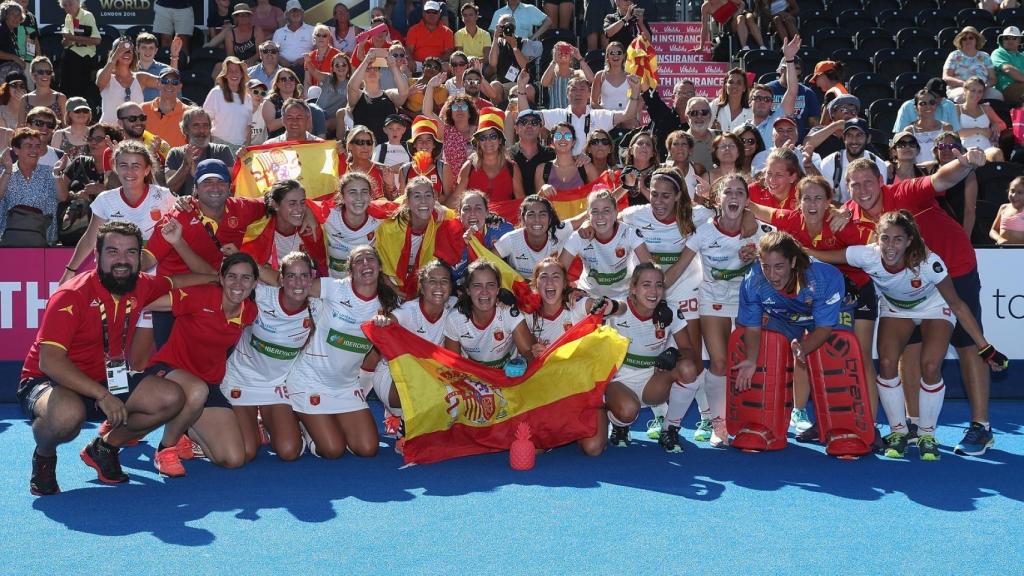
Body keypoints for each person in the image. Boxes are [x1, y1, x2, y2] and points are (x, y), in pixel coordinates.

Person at [839, 152, 998, 456]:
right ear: (848, 188)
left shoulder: (904, 191)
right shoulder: (848, 213)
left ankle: (982, 427)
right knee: (908, 350)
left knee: (967, 345)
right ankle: (913, 425)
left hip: (953, 269)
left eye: (868, 182)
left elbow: (941, 179)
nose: (862, 190)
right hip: (907, 289)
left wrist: (964, 162)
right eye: (855, 185)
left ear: (881, 181)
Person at [17, 221, 193, 495]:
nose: (122, 260)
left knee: (172, 398)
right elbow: (49, 362)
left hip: (106, 377)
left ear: (139, 257)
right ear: (96, 257)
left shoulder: (141, 284)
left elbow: (180, 281)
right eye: (113, 251)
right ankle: (44, 454)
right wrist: (102, 395)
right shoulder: (71, 294)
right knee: (66, 417)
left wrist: (220, 277)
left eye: (130, 252)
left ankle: (104, 447)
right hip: (50, 381)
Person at [815, 210, 1007, 460]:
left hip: (935, 307)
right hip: (896, 309)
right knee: (885, 363)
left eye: (897, 239)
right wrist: (795, 250)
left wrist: (986, 348)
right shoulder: (867, 255)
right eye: (885, 238)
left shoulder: (929, 262)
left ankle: (927, 434)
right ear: (877, 238)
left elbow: (958, 305)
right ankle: (899, 432)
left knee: (930, 366)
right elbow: (823, 256)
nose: (890, 246)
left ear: (908, 241)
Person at [745, 175, 876, 441]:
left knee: (856, 358)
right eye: (807, 198)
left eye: (819, 198)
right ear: (798, 202)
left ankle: (869, 425)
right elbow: (758, 208)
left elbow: (875, 248)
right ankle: (821, 419)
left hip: (855, 292)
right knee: (809, 351)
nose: (812, 204)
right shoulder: (792, 220)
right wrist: (722, 194)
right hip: (816, 295)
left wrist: (843, 218)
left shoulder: (839, 222)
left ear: (829, 201)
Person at [662, 173, 769, 447]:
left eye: (739, 193)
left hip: (748, 302)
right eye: (728, 192)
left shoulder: (758, 230)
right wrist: (651, 297)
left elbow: (787, 259)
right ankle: (718, 422)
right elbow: (677, 269)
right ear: (718, 199)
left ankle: (754, 419)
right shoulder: (704, 232)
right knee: (719, 363)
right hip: (713, 302)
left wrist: (759, 256)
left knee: (751, 363)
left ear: (746, 200)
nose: (733, 197)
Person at [617, 168, 714, 448]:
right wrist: (588, 225)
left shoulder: (697, 216)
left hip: (681, 292)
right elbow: (602, 215)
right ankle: (660, 417)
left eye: (666, 196)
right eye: (654, 194)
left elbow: (737, 217)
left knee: (691, 360)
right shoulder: (635, 215)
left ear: (678, 197)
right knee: (651, 354)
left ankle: (707, 416)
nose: (658, 201)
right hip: (649, 293)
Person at [733, 231, 854, 451]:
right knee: (764, 345)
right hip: (784, 316)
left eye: (779, 266)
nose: (771, 274)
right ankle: (767, 425)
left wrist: (803, 348)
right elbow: (751, 326)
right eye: (766, 266)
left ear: (793, 262)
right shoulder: (754, 279)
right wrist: (751, 360)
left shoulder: (822, 277)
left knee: (837, 349)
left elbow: (824, 327)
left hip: (821, 317)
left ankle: (843, 428)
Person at [145, 252, 260, 476]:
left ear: (255, 282)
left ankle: (185, 428)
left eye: (246, 278)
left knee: (234, 458)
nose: (238, 284)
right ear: (221, 278)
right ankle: (166, 448)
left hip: (208, 386)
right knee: (196, 390)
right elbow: (149, 303)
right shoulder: (203, 295)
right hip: (170, 371)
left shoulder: (250, 312)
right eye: (232, 276)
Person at [286, 245, 399, 459]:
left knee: (367, 448)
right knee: (333, 450)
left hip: (346, 386)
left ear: (379, 267)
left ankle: (325, 422)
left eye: (370, 259)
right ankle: (301, 422)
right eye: (358, 260)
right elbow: (294, 286)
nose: (365, 263)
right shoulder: (334, 288)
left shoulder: (386, 303)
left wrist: (389, 323)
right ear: (350, 270)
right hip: (310, 380)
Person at [146, 159, 267, 345]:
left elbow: (275, 201)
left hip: (215, 298)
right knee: (167, 360)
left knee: (211, 359)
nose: (215, 187)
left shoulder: (242, 208)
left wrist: (308, 213)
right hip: (174, 299)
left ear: (230, 187)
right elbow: (148, 256)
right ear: (195, 189)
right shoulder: (178, 217)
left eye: (221, 182)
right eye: (207, 182)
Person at [526, 257, 622, 454]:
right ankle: (558, 426)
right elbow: (521, 357)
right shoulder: (528, 314)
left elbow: (622, 307)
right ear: (535, 284)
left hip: (582, 389)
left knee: (593, 449)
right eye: (544, 277)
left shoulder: (578, 305)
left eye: (556, 277)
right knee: (536, 450)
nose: (550, 282)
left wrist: (608, 304)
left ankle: (599, 408)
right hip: (549, 393)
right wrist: (531, 353)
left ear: (565, 283)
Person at [605, 262, 698, 447]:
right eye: (646, 285)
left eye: (659, 285)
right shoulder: (617, 309)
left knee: (688, 369)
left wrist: (673, 353)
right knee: (628, 411)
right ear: (633, 288)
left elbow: (688, 350)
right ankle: (618, 424)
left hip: (652, 379)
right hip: (620, 379)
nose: (653, 291)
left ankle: (669, 428)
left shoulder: (670, 311)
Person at [559, 188, 652, 299]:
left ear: (616, 212)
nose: (600, 216)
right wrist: (570, 292)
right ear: (588, 215)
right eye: (595, 211)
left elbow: (650, 269)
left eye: (606, 210)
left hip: (624, 298)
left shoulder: (629, 233)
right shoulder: (578, 237)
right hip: (588, 298)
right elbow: (557, 272)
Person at [443, 260, 536, 367]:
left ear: (498, 289)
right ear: (468, 290)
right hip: (474, 377)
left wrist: (522, 364)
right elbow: (453, 363)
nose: (484, 291)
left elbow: (530, 354)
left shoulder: (509, 313)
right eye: (477, 285)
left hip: (509, 376)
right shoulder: (455, 319)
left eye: (490, 285)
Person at [540, 74, 641, 155]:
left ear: (589, 95)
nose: (578, 93)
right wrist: (523, 89)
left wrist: (635, 91)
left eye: (582, 89)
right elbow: (528, 115)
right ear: (567, 94)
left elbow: (627, 114)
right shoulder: (557, 114)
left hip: (591, 168)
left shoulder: (599, 116)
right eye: (573, 89)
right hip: (566, 170)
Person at [0, 127, 69, 246]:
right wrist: (8, 171)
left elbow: (63, 197)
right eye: (28, 146)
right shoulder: (5, 171)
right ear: (16, 150)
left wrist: (57, 173)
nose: (34, 150)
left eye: (37, 146)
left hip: (44, 242)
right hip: (9, 243)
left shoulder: (50, 172)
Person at [495, 194, 585, 278]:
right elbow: (487, 259)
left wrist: (587, 224)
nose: (537, 220)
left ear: (550, 219)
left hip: (551, 288)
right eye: (531, 215)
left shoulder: (558, 231)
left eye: (542, 214)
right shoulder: (511, 239)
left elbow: (588, 215)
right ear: (523, 219)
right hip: (519, 291)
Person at [435, 190, 514, 282]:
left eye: (478, 208)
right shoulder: (448, 234)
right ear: (459, 214)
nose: (472, 213)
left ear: (487, 212)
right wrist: (463, 246)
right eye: (466, 209)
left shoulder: (503, 230)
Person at [455, 108, 524, 202]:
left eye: (493, 136)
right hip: (475, 216)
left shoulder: (512, 168)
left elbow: (521, 203)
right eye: (483, 137)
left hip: (505, 216)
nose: (488, 141)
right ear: (478, 142)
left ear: (500, 140)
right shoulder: (468, 167)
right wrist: (440, 209)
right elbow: (456, 199)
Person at [164, 107, 235, 197]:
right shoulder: (175, 154)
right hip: (185, 208)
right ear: (185, 129)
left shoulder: (221, 151)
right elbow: (170, 189)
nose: (201, 130)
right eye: (196, 125)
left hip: (215, 206)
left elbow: (231, 185)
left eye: (205, 125)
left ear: (210, 129)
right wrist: (185, 166)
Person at [815, 118, 888, 203]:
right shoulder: (829, 163)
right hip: (839, 212)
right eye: (849, 135)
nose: (854, 140)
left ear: (868, 138)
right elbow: (826, 201)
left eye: (859, 135)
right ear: (844, 138)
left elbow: (880, 199)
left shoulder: (879, 165)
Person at [97, 38, 167, 125]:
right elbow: (100, 83)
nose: (127, 53)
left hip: (134, 132)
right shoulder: (105, 74)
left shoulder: (140, 77)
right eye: (123, 50)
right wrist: (116, 55)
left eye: (130, 51)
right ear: (114, 52)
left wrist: (174, 57)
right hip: (109, 132)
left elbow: (170, 82)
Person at [348, 47, 409, 144]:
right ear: (362, 75)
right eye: (368, 69)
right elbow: (351, 87)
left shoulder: (389, 95)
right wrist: (366, 60)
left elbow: (404, 92)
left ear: (380, 74)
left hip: (387, 150)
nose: (372, 71)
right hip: (363, 147)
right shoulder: (358, 95)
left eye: (375, 69)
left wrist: (393, 66)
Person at [922, 132, 978, 237]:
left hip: (958, 228)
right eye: (942, 146)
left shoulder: (969, 174)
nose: (947, 150)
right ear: (935, 151)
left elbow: (970, 210)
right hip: (933, 229)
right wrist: (888, 164)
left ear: (960, 151)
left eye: (952, 146)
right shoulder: (928, 169)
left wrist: (965, 239)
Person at [203, 57, 254, 151]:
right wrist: (211, 146)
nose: (234, 74)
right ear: (225, 75)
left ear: (242, 74)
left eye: (237, 71)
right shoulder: (216, 92)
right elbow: (205, 121)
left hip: (240, 149)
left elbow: (248, 127)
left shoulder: (248, 97)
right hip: (218, 145)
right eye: (230, 71)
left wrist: (246, 147)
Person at [536, 122, 600, 197]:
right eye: (558, 136)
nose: (563, 139)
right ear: (552, 142)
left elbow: (599, 196)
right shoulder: (542, 169)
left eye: (568, 136)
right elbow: (537, 203)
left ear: (573, 142)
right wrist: (542, 191)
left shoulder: (586, 167)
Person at [58, 0, 101, 107]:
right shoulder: (68, 17)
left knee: (79, 93)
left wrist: (72, 38)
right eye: (65, 6)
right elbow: (66, 43)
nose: (67, 8)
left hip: (84, 58)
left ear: (78, 3)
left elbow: (97, 40)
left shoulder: (87, 16)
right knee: (65, 89)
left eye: (70, 4)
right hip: (69, 56)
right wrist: (66, 40)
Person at [943, 26, 1002, 102]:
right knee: (962, 97)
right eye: (964, 38)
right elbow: (946, 77)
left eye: (971, 38)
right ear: (961, 41)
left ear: (976, 40)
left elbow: (993, 79)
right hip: (960, 88)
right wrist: (964, 84)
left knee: (997, 96)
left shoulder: (985, 56)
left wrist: (984, 86)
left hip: (983, 89)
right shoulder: (954, 55)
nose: (968, 40)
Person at [955, 76, 1006, 162]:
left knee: (997, 153)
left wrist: (995, 125)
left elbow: (1003, 125)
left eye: (980, 91)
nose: (976, 95)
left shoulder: (986, 108)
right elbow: (956, 132)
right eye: (973, 91)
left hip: (986, 149)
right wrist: (979, 130)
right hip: (965, 150)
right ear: (965, 91)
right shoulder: (957, 109)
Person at [766, 57, 819, 140]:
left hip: (799, 144)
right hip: (771, 140)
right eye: (792, 70)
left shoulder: (807, 93)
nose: (794, 78)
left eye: (798, 75)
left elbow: (814, 124)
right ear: (782, 70)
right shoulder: (767, 90)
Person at [399, 115, 449, 198]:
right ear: (414, 144)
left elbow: (450, 198)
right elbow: (402, 200)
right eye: (419, 140)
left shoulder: (444, 168)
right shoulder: (404, 170)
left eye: (428, 140)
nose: (424, 143)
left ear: (434, 145)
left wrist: (436, 198)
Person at [508, 108, 553, 198]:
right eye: (523, 122)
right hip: (513, 209)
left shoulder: (552, 155)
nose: (529, 126)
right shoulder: (507, 155)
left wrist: (582, 157)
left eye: (534, 122)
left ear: (540, 128)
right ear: (516, 129)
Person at [893, 78, 961, 134]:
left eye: (941, 97)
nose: (937, 100)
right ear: (925, 90)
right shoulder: (907, 107)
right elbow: (900, 136)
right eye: (934, 96)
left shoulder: (949, 105)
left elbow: (955, 135)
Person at [340, 125, 391, 199]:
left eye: (369, 142)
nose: (365, 147)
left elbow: (393, 201)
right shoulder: (342, 168)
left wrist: (390, 186)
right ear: (350, 145)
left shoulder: (382, 169)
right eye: (360, 142)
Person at [904, 89, 954, 164]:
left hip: (943, 173)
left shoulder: (947, 128)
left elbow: (955, 152)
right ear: (916, 108)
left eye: (932, 103)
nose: (928, 106)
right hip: (918, 174)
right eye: (923, 103)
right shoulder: (909, 131)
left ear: (936, 105)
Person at [141, 68, 187, 150]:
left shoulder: (188, 113)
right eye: (165, 81)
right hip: (149, 161)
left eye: (174, 82)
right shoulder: (142, 109)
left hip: (178, 162)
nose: (169, 85)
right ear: (158, 83)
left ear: (180, 86)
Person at [273, 0, 315, 83]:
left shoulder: (312, 30)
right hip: (283, 68)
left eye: (297, 10)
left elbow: (318, 50)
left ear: (302, 13)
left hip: (306, 67)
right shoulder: (279, 32)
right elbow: (273, 51)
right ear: (287, 15)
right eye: (292, 11)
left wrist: (304, 59)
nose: (295, 13)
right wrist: (281, 60)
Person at [308, 51, 350, 135]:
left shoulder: (351, 84)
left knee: (325, 123)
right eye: (337, 65)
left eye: (344, 65)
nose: (340, 67)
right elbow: (313, 71)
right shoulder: (327, 78)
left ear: (348, 67)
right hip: (318, 113)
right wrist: (308, 61)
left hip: (333, 118)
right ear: (333, 68)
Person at [542, 43, 591, 113]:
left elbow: (591, 79)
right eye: (560, 53)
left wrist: (579, 57)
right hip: (555, 115)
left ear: (571, 56)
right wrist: (554, 60)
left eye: (566, 52)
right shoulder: (552, 74)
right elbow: (544, 83)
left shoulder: (577, 73)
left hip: (573, 114)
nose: (563, 54)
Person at [406, 0, 455, 69]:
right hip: (418, 64)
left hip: (438, 64)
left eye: (435, 12)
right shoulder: (413, 30)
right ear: (423, 13)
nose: (431, 15)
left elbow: (448, 53)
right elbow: (408, 50)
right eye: (428, 12)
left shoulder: (447, 32)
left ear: (439, 14)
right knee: (406, 66)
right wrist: (410, 61)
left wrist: (434, 63)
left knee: (446, 67)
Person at [20, 57, 66, 127]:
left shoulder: (60, 98)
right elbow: (20, 127)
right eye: (40, 72)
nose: (45, 75)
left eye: (48, 72)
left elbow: (66, 126)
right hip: (31, 137)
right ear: (33, 75)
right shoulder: (25, 99)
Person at [709, 68, 753, 134]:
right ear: (725, 86)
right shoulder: (715, 105)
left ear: (744, 88)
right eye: (731, 82)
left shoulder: (751, 111)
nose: (734, 86)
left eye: (739, 83)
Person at [990, 26, 1024, 106]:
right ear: (1002, 40)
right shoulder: (998, 52)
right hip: (1006, 89)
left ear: (1019, 40)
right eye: (1007, 38)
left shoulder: (1022, 56)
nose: (1010, 40)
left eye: (1014, 38)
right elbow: (1008, 69)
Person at [304, 24, 341, 89]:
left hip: (333, 91)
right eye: (318, 35)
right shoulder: (309, 56)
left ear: (329, 37)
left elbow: (341, 78)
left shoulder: (337, 54)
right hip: (314, 93)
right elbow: (307, 82)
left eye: (324, 36)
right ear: (314, 37)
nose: (321, 38)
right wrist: (308, 97)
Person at [990, 175, 1024, 244]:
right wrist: (999, 239)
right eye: (1012, 191)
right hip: (1003, 251)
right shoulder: (1003, 208)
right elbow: (993, 230)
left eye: (1019, 192)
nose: (1014, 195)